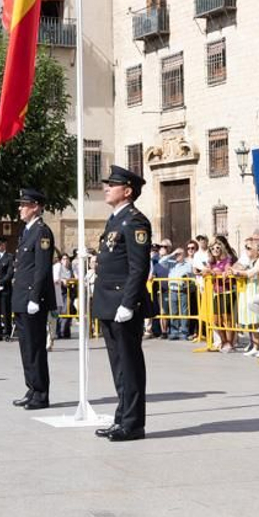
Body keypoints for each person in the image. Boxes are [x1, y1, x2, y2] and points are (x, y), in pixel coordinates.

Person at [93, 165, 153, 442]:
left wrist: (128, 303)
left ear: (127, 191)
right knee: (118, 366)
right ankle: (121, 418)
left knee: (129, 365)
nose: (106, 187)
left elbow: (138, 268)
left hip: (122, 304)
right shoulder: (115, 220)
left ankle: (133, 423)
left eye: (112, 184)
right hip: (108, 301)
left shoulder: (135, 221)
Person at [12, 189, 55, 410]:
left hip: (32, 298)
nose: (20, 208)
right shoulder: (26, 231)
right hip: (21, 297)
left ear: (36, 206)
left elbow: (42, 267)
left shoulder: (42, 232)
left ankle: (41, 394)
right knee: (26, 347)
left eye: (24, 204)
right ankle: (32, 387)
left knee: (36, 347)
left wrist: (35, 297)